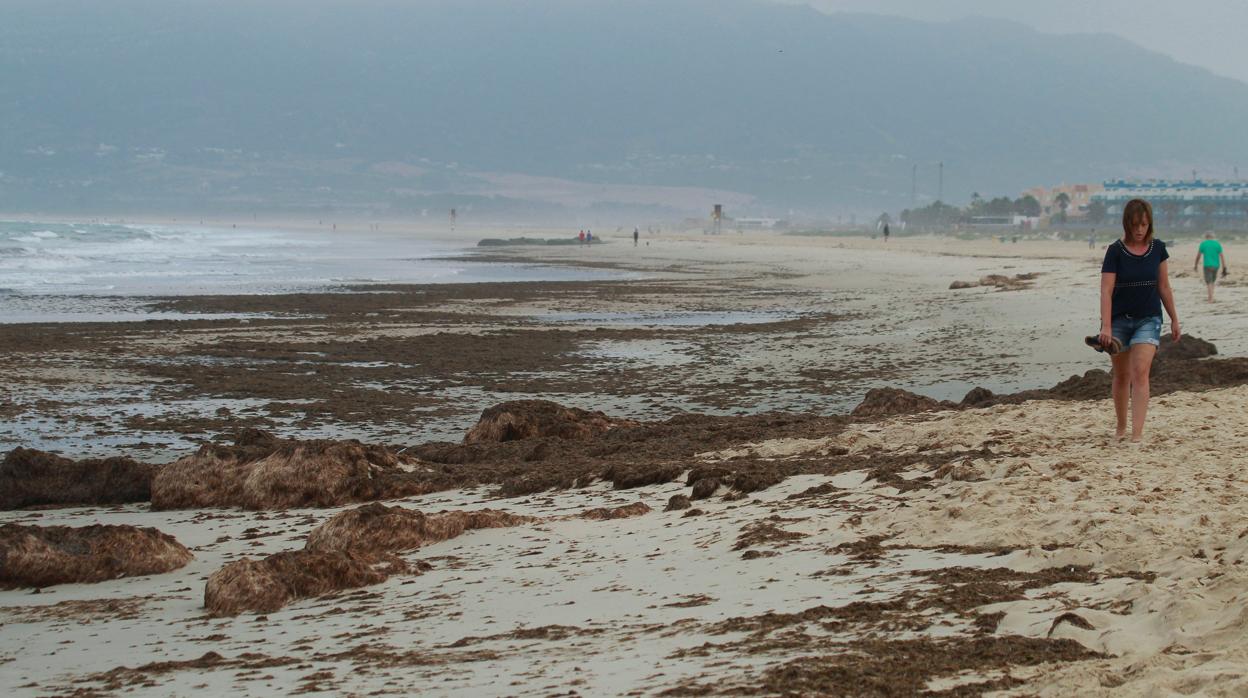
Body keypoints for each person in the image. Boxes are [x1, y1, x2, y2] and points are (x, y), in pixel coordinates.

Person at [1097, 198, 1180, 443]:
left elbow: (1164, 287)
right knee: (1121, 375)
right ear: (1127, 224)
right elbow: (1106, 290)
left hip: (1149, 319)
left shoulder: (1158, 249)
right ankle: (1121, 428)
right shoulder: (1115, 251)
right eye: (1135, 224)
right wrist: (1106, 326)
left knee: (1140, 372)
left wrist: (1175, 319)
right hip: (1119, 321)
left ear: (1149, 224)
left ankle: (1137, 435)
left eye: (1143, 224)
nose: (1139, 229)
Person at [1194, 231, 1228, 302]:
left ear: (1206, 237)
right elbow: (1222, 256)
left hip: (1207, 265)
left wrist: (1196, 265)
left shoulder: (1203, 244)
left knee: (1209, 282)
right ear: (1213, 237)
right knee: (1212, 281)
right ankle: (1211, 296)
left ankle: (1210, 298)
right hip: (1216, 265)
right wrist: (1224, 267)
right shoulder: (1217, 244)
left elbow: (1198, 256)